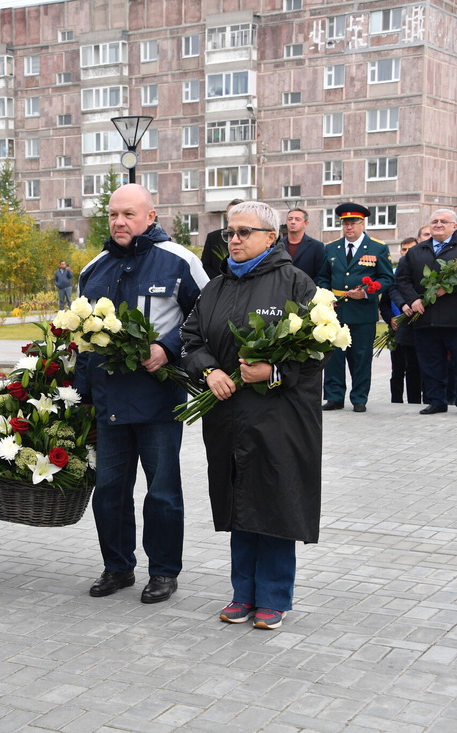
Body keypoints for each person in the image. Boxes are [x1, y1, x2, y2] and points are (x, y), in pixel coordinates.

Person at [181, 201, 322, 631]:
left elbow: (319, 350)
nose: (234, 240)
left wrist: (274, 371)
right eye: (230, 233)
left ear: (271, 236)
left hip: (280, 416)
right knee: (240, 499)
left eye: (244, 232)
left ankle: (274, 597)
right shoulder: (217, 287)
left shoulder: (296, 283)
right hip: (228, 415)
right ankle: (243, 593)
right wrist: (210, 370)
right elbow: (190, 338)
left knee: (275, 501)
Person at [76, 184, 209, 604]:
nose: (119, 222)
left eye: (129, 214)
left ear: (151, 216)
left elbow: (207, 317)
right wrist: (80, 397)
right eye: (113, 214)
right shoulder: (93, 269)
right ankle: (117, 567)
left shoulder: (180, 261)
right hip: (109, 401)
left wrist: (169, 347)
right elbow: (79, 339)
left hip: (158, 400)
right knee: (110, 492)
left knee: (163, 493)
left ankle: (164, 572)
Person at [395, 208, 457, 416]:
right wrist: (413, 299)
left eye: (443, 221)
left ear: (454, 226)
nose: (438, 224)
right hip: (426, 317)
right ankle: (437, 400)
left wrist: (449, 287)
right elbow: (402, 279)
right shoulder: (417, 251)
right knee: (430, 361)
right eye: (434, 221)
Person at [316, 203, 394, 412]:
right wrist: (327, 295)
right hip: (336, 312)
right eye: (345, 223)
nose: (349, 227)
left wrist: (367, 292)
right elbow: (323, 277)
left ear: (362, 223)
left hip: (363, 312)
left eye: (353, 223)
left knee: (360, 357)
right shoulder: (332, 248)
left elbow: (387, 278)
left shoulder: (378, 247)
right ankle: (334, 397)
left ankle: (359, 398)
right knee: (333, 358)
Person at [379, 238, 422, 404]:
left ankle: (415, 400)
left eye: (410, 249)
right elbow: (384, 303)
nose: (406, 253)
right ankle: (396, 401)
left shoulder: (418, 275)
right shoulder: (393, 276)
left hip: (415, 326)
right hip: (396, 328)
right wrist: (391, 319)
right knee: (397, 369)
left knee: (414, 368)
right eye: (404, 250)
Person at [200, 199, 244, 280]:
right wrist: (220, 280)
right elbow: (205, 265)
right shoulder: (213, 237)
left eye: (238, 213)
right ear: (226, 216)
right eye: (231, 213)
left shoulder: (249, 238)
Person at [282, 208, 325, 282]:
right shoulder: (277, 245)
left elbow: (321, 274)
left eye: (297, 219)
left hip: (306, 290)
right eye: (290, 219)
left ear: (306, 223)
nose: (293, 222)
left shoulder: (316, 246)